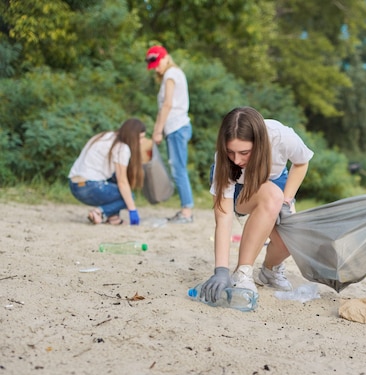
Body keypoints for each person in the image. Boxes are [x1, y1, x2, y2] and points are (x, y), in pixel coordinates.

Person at [198, 106, 314, 303]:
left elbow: (301, 163)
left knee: (290, 238)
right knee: (273, 196)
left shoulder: (282, 136)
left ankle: (269, 270)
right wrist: (221, 270)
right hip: (239, 191)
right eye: (230, 152)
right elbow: (224, 217)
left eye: (244, 152)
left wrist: (287, 200)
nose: (237, 159)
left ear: (259, 142)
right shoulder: (225, 162)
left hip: (276, 184)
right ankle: (242, 273)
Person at [145, 45, 194, 223]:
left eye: (158, 63)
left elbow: (167, 105)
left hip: (176, 128)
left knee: (178, 168)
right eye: (154, 66)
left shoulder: (171, 74)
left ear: (165, 57)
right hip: (176, 128)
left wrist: (157, 131)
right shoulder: (174, 74)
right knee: (177, 167)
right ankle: (186, 209)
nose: (157, 68)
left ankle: (187, 211)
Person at [68, 118, 147, 226]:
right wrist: (132, 210)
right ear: (132, 136)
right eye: (140, 137)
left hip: (74, 185)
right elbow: (122, 182)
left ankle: (113, 218)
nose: (142, 141)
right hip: (90, 186)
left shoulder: (105, 136)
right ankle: (99, 212)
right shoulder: (122, 148)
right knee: (129, 197)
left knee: (114, 178)